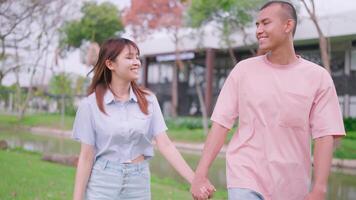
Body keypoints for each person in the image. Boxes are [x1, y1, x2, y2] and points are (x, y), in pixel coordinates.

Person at [190, 1, 345, 200]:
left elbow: (325, 135)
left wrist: (319, 189)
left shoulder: (318, 77)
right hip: (245, 176)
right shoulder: (243, 71)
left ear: (287, 26)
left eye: (265, 23)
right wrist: (200, 174)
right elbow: (221, 123)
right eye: (257, 25)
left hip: (292, 183)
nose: (259, 30)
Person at [71, 38, 214, 200]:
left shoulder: (149, 100)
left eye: (137, 57)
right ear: (110, 64)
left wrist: (195, 180)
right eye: (129, 57)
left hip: (138, 181)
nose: (136, 62)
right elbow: (86, 157)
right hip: (103, 181)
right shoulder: (90, 105)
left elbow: (165, 144)